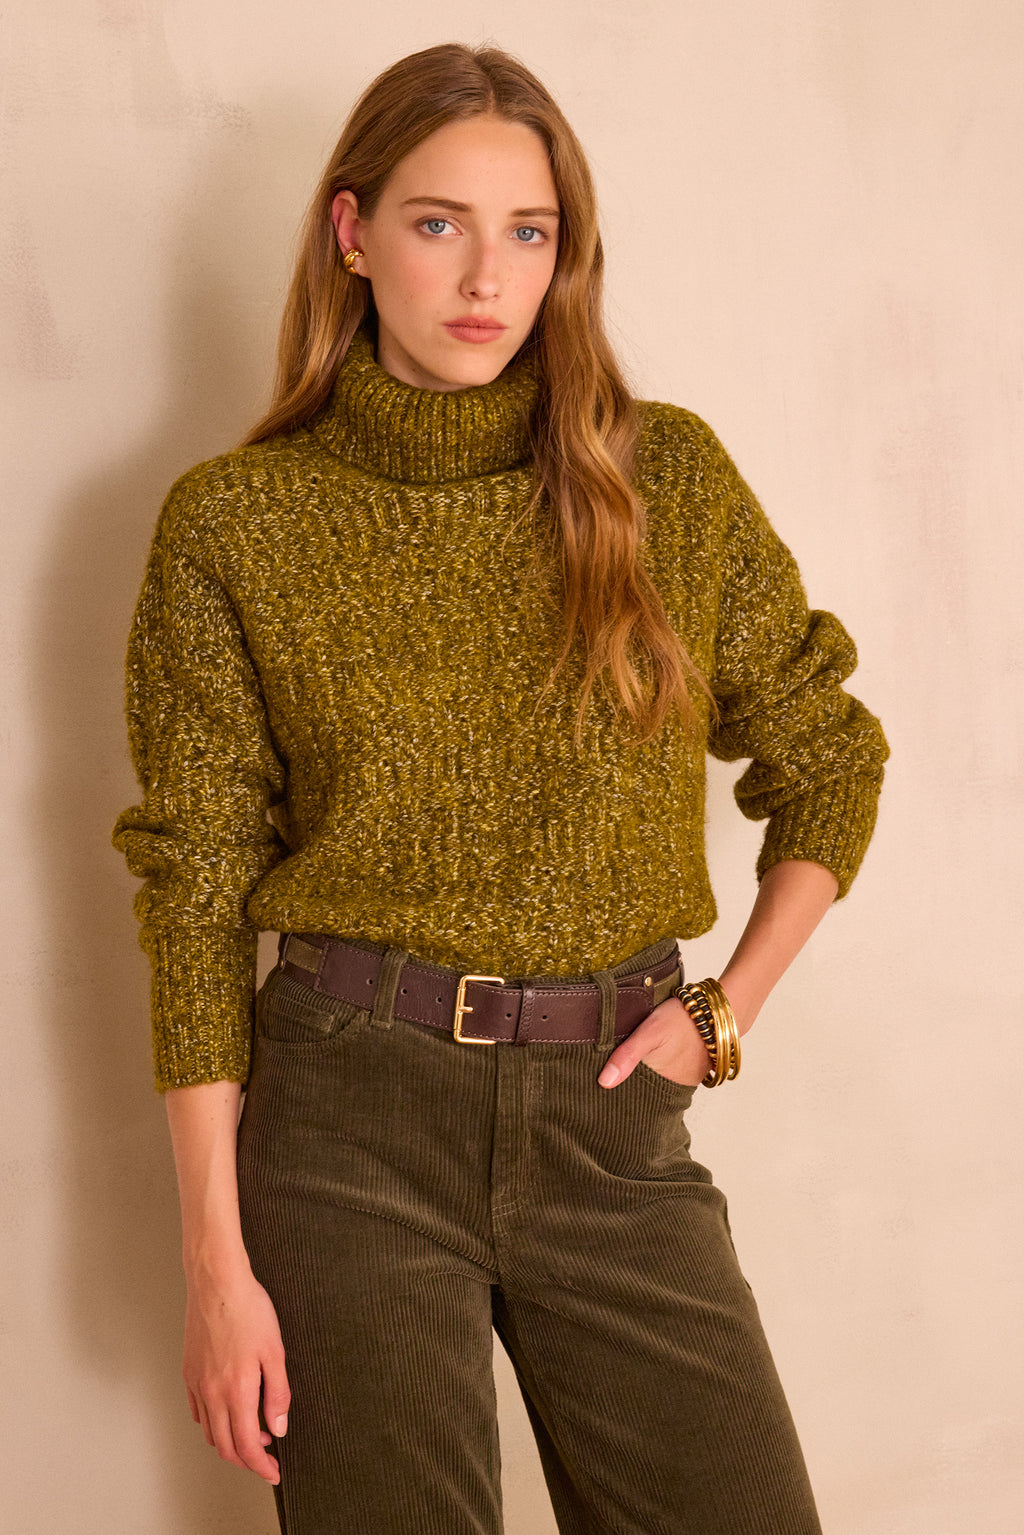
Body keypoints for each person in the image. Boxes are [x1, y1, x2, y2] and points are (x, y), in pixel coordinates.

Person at [113, 41, 887, 1535]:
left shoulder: (663, 482)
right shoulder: (235, 525)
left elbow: (831, 756)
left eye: (528, 232)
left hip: (612, 1119)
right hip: (347, 1127)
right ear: (351, 233)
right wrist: (215, 1264)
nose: (487, 278)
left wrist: (726, 1011)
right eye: (438, 223)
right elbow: (194, 891)